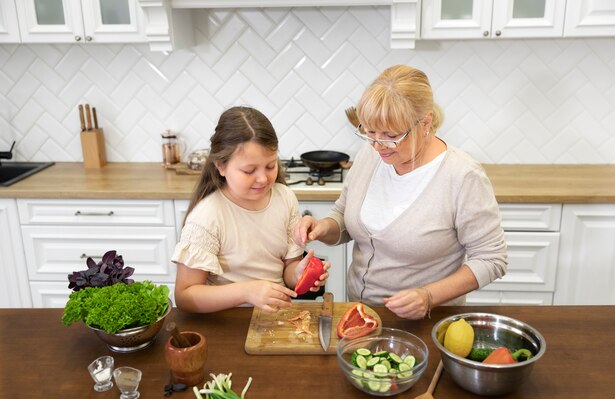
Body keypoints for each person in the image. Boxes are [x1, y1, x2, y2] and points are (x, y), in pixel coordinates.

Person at [293, 65, 507, 320]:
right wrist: (322, 227)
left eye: (391, 135)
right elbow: (343, 216)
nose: (377, 144)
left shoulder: (462, 176)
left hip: (428, 321)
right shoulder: (370, 155)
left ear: (425, 122)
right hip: (360, 313)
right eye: (369, 131)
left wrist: (428, 296)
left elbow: (492, 259)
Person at [172, 106, 329, 313]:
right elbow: (184, 296)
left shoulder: (285, 198)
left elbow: (287, 271)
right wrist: (246, 292)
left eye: (271, 166)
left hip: (274, 318)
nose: (263, 178)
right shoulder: (208, 216)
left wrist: (298, 273)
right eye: (249, 170)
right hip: (229, 323)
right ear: (220, 166)